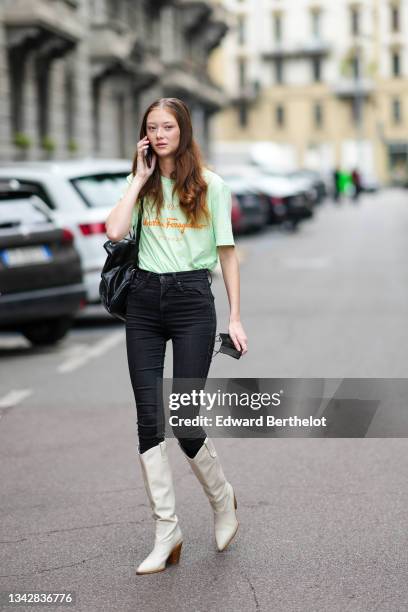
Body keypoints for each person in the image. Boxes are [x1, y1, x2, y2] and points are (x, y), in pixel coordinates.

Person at [105, 97, 248, 575]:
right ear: (144, 135)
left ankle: (223, 500)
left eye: (168, 126)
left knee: (184, 422)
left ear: (184, 131)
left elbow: (227, 253)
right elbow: (114, 229)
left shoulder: (212, 186)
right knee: (149, 422)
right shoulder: (141, 183)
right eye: (152, 127)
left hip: (191, 303)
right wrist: (140, 179)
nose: (160, 134)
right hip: (143, 302)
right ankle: (167, 531)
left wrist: (235, 317)